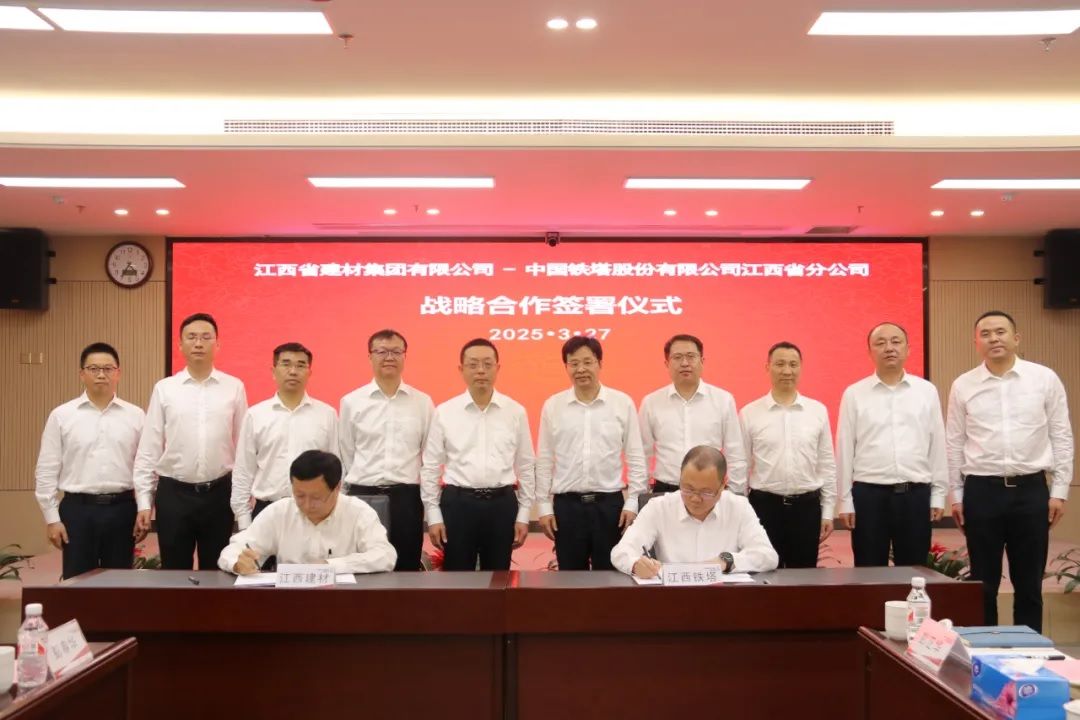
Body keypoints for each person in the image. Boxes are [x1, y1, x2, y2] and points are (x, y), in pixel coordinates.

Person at [946, 310, 1073, 632]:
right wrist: (957, 496)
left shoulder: (1044, 379)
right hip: (981, 491)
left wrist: (1059, 491)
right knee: (983, 583)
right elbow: (954, 442)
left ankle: (1029, 653)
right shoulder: (963, 385)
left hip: (1031, 491)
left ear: (1016, 338)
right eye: (986, 334)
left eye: (1000, 332)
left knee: (1029, 584)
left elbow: (1061, 436)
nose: (994, 339)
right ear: (976, 343)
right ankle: (985, 653)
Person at [133, 312, 247, 570]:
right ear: (180, 344)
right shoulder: (165, 388)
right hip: (174, 494)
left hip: (219, 493)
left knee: (218, 570)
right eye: (191, 337)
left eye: (206, 337)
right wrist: (144, 502)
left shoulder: (234, 387)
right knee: (174, 572)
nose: (198, 343)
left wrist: (244, 497)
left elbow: (244, 447)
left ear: (217, 344)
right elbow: (150, 447)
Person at [836, 322, 948, 567]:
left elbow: (937, 445)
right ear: (870, 351)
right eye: (881, 343)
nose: (889, 348)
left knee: (914, 570)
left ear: (908, 349)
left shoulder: (926, 391)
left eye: (896, 342)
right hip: (869, 496)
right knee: (868, 572)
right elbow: (844, 449)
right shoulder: (854, 393)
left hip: (914, 495)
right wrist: (844, 500)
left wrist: (939, 494)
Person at [421, 338, 535, 571]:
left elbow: (525, 465)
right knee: (457, 579)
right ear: (461, 369)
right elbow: (431, 467)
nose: (481, 370)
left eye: (487, 364)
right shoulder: (445, 412)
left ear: (497, 368)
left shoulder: (515, 411)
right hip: (458, 505)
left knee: (498, 578)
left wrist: (524, 514)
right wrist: (433, 515)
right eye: (473, 364)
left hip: (502, 505)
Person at [34, 343, 146, 579]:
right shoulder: (62, 415)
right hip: (78, 511)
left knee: (120, 583)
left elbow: (145, 467)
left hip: (122, 510)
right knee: (77, 583)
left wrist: (144, 507)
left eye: (108, 368)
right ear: (82, 374)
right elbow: (46, 470)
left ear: (118, 373)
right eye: (93, 368)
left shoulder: (136, 416)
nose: (101, 374)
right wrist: (52, 519)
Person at [535, 337, 647, 570]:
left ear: (600, 363)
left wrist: (633, 501)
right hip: (567, 507)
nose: (581, 369)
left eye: (587, 362)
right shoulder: (553, 406)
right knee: (570, 578)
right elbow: (544, 459)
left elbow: (636, 456)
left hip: (609, 506)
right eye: (574, 363)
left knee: (610, 576)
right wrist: (543, 506)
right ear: (566, 366)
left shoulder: (621, 403)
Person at [339, 329, 434, 571]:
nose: (389, 357)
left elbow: (429, 455)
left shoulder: (422, 402)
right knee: (361, 568)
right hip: (363, 496)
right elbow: (346, 452)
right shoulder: (352, 401)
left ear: (405, 356)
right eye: (381, 351)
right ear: (370, 356)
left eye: (396, 351)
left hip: (406, 499)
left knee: (406, 568)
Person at [611, 445, 778, 577]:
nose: (695, 499)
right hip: (673, 598)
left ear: (723, 485)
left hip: (724, 599)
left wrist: (727, 561)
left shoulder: (738, 507)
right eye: (688, 489)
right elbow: (621, 552)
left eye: (706, 492)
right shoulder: (658, 507)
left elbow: (768, 556)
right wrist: (635, 565)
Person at [219, 450, 396, 574]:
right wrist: (238, 563)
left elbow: (385, 555)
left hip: (344, 601)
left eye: (316, 497)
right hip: (291, 602)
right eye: (300, 496)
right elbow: (233, 550)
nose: (307, 504)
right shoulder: (279, 512)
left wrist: (331, 566)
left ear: (337, 488)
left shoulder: (359, 512)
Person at [740, 341, 837, 568]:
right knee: (764, 572)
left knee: (803, 578)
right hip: (764, 507)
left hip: (806, 508)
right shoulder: (749, 413)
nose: (787, 371)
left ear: (801, 367)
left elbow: (826, 464)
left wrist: (828, 511)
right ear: (767, 367)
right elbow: (741, 465)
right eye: (780, 364)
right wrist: (741, 510)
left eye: (793, 364)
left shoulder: (817, 411)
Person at [230, 342, 337, 530]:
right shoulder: (256, 415)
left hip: (315, 513)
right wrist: (245, 523)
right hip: (267, 512)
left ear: (309, 372)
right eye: (286, 364)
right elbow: (243, 472)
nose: (293, 371)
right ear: (273, 371)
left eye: (300, 365)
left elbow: (337, 469)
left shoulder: (327, 415)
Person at [639, 334, 748, 494]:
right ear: (667, 363)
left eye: (691, 356)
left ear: (702, 361)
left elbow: (735, 453)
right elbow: (642, 454)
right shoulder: (651, 402)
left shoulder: (723, 400)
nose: (685, 363)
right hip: (666, 490)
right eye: (677, 357)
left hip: (709, 491)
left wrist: (736, 494)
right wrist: (639, 496)